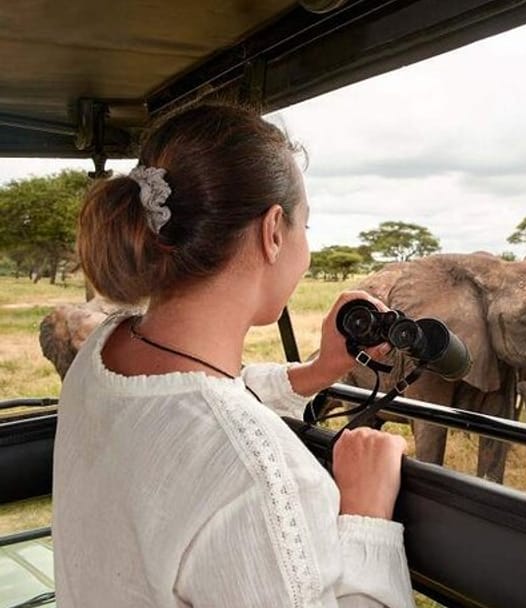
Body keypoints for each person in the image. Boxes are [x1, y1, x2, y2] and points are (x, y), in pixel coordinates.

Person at [52, 104, 415, 608]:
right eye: (305, 226)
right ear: (272, 232)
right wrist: (367, 517)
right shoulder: (259, 477)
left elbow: (188, 405)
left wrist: (314, 372)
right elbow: (217, 427)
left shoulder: (104, 348)